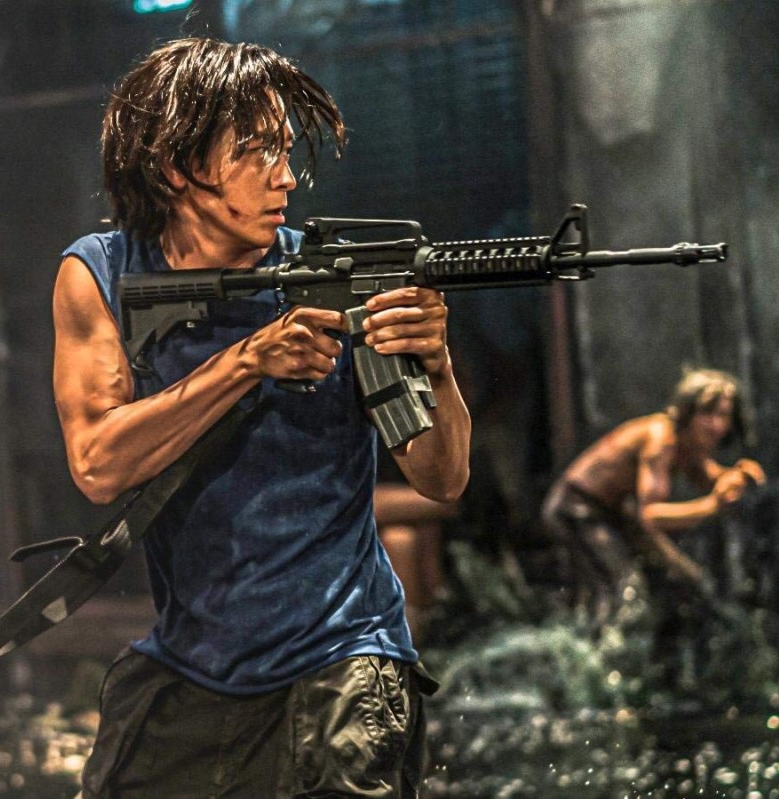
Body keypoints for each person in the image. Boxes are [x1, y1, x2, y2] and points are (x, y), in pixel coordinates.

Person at [54, 38, 470, 798]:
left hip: (345, 657)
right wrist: (248, 360)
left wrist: (437, 364)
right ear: (177, 166)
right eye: (255, 153)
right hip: (193, 661)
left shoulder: (338, 276)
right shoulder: (103, 275)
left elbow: (441, 478)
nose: (285, 176)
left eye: (284, 149)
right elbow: (97, 465)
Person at [540, 367, 766, 635]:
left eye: (723, 415)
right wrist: (710, 506)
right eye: (707, 414)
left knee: (684, 578)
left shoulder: (689, 444)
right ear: (688, 412)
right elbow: (651, 516)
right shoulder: (661, 440)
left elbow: (706, 475)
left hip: (616, 513)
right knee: (624, 590)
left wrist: (735, 477)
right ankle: (601, 648)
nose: (716, 425)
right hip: (578, 510)